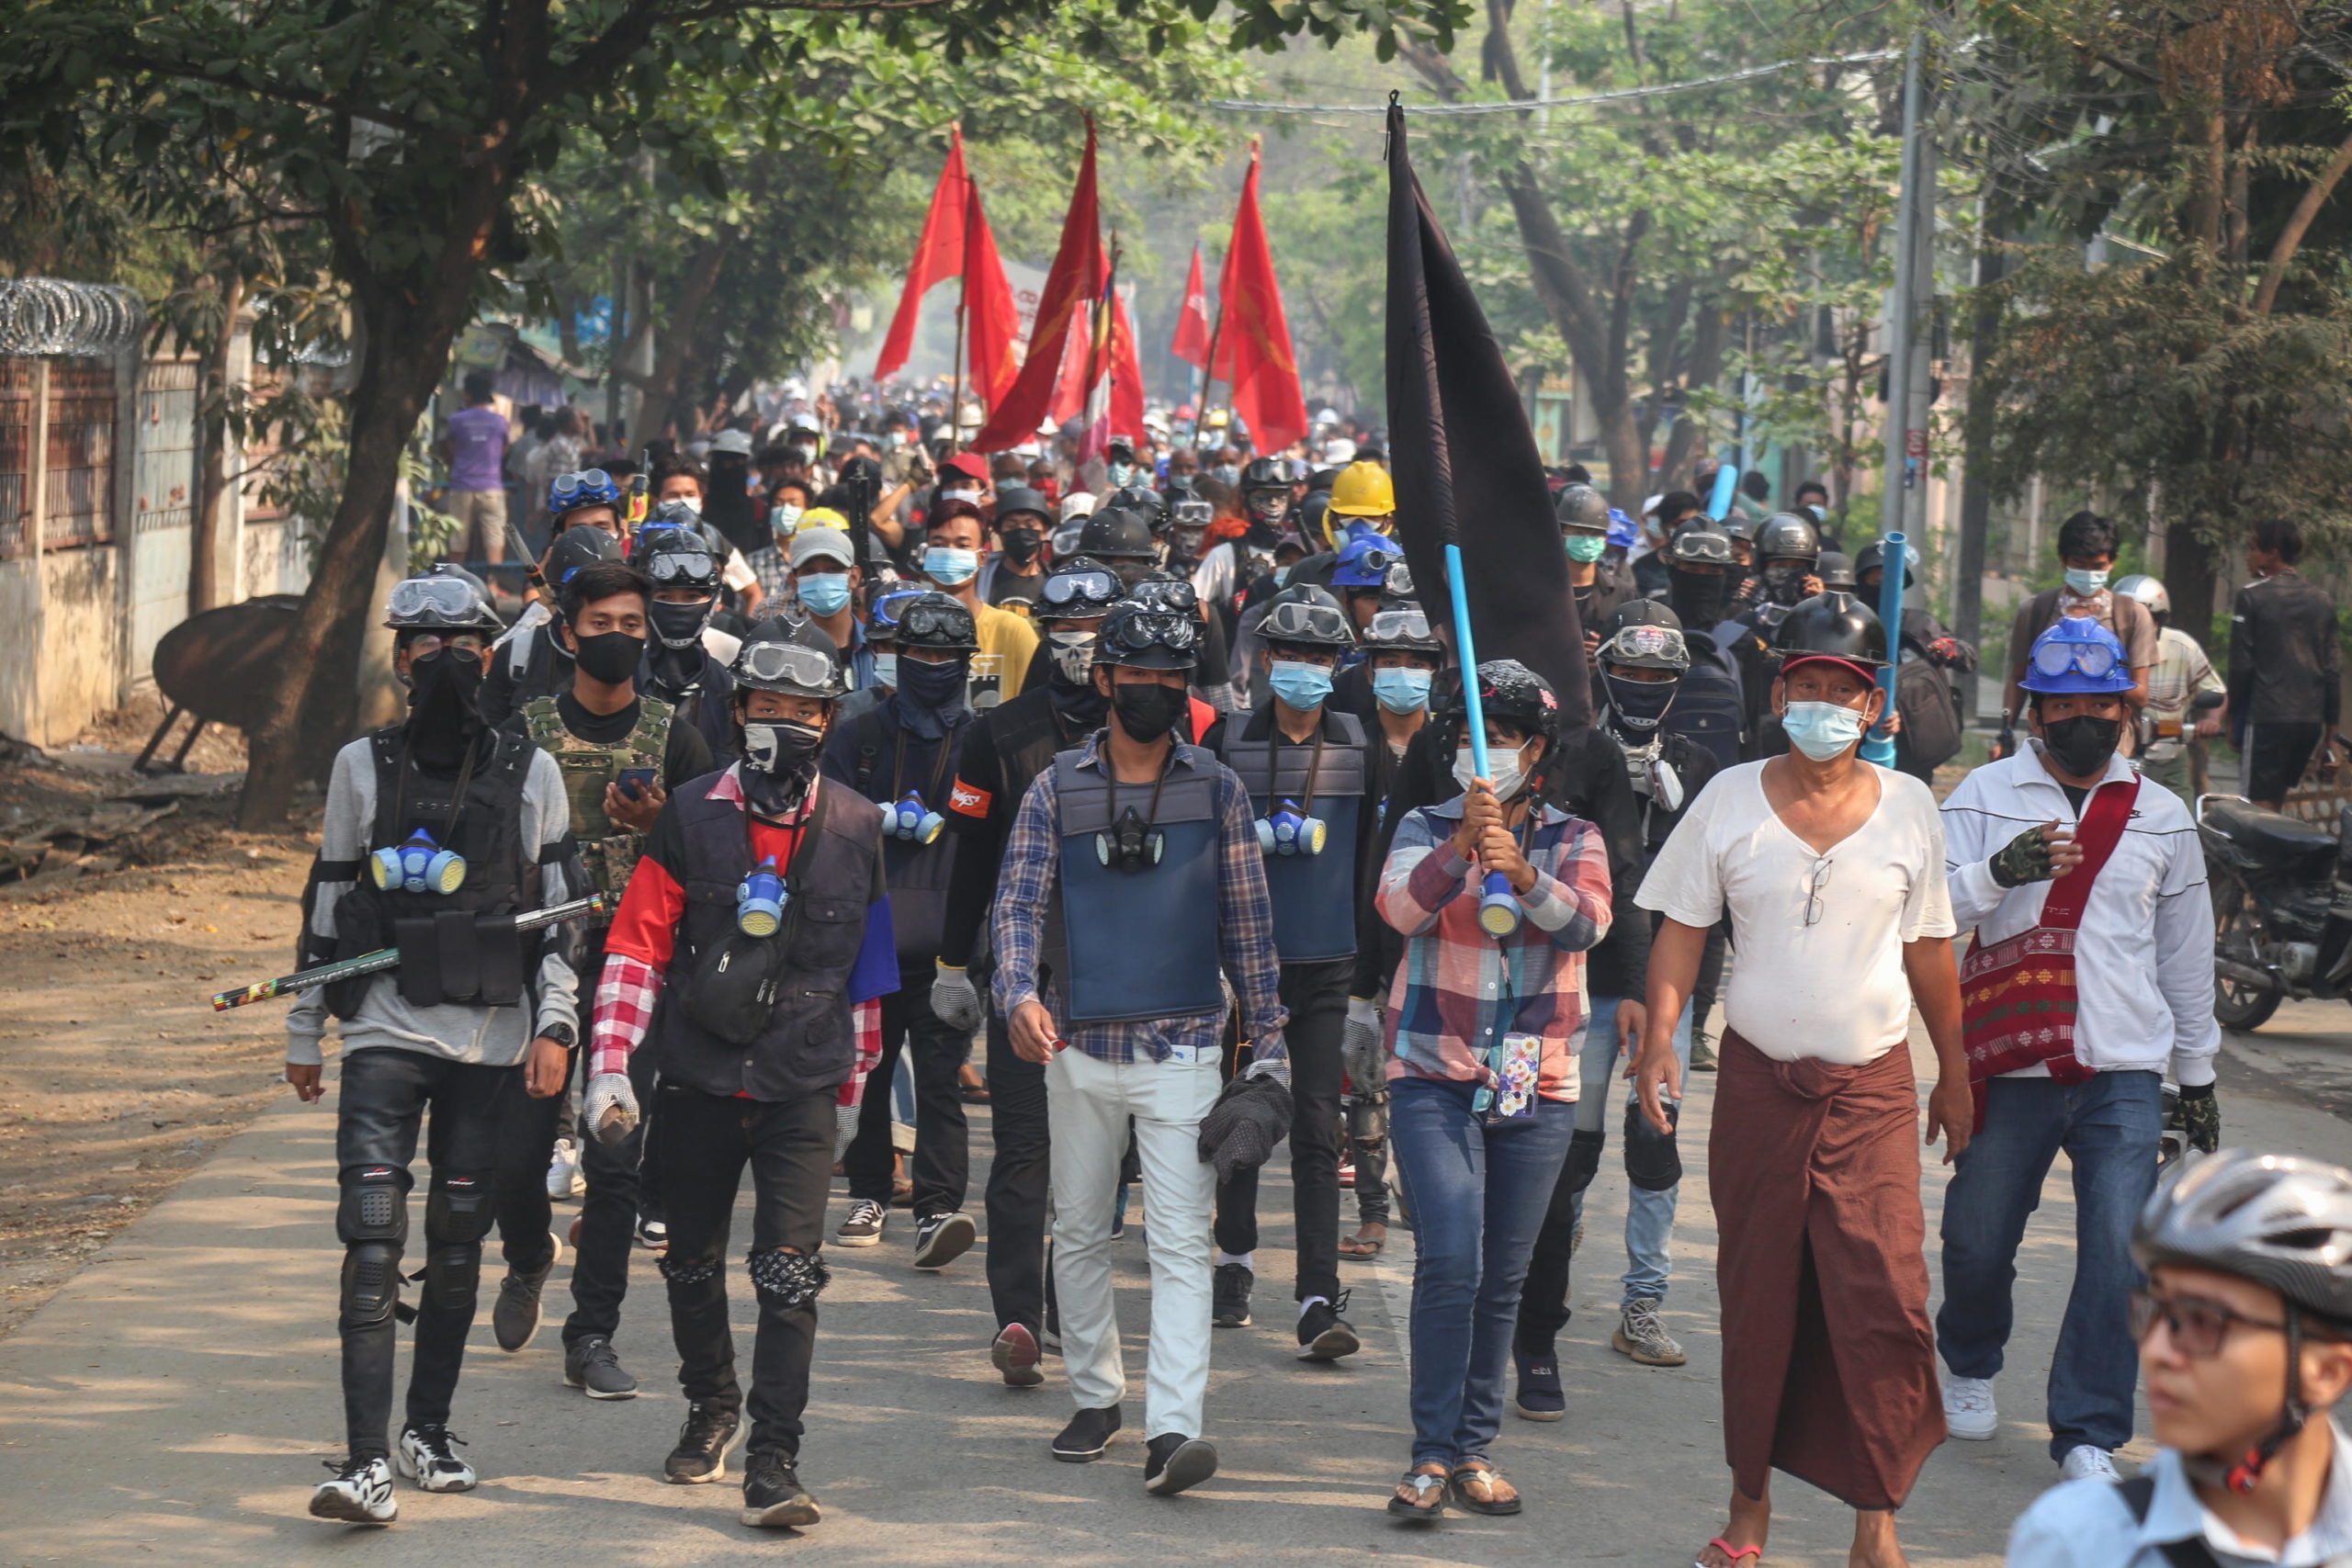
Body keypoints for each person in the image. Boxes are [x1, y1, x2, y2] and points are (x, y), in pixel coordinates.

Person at [1631, 591, 1968, 1568]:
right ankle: (1749, 1513)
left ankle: (1877, 1523)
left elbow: (1931, 949)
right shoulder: (1730, 798)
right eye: (1808, 685)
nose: (1824, 703)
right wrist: (1661, 1038)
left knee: (1883, 1300)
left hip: (1869, 1093)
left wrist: (1953, 1072)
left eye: (1845, 691)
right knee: (1760, 1295)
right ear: (1781, 692)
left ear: (1872, 709)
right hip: (1757, 1088)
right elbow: (1681, 933)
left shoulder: (1909, 807)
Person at [581, 615, 899, 1529]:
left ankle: (773, 1457)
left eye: (803, 709)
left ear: (829, 719)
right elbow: (637, 952)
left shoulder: (855, 825)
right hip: (699, 1078)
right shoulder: (689, 816)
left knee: (789, 1274)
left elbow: (869, 979)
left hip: (803, 1082)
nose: (784, 722)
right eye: (766, 705)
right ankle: (710, 1401)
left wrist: (851, 1098)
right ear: (737, 711)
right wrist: (609, 1071)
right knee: (687, 1263)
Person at [291, 568, 582, 1524]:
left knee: (458, 1248)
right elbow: (330, 899)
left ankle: (428, 1428)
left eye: (463, 645)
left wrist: (555, 1025)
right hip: (382, 1029)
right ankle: (365, 1459)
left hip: (493, 1044)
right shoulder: (359, 765)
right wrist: (305, 1027)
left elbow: (557, 919)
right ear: (399, 657)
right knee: (372, 1244)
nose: (445, 661)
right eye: (424, 644)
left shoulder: (529, 770)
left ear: (489, 655)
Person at [989, 598, 1291, 1496]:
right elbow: (1014, 907)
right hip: (1074, 1048)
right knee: (1078, 1230)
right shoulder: (1054, 788)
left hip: (1184, 1050)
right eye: (1139, 675)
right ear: (1105, 678)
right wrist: (1014, 995)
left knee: (1176, 1245)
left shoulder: (1217, 790)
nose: (1154, 690)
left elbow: (1248, 925)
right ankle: (1095, 1396)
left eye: (1171, 677)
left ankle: (1173, 1428)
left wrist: (1265, 1044)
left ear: (1182, 687)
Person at [1936, 616, 2221, 1484]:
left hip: (2124, 1067)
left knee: (2118, 1249)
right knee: (1980, 1240)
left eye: (2102, 702)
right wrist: (1997, 872)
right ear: (2036, 711)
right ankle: (1969, 1359)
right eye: (2066, 704)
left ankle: (2089, 1428)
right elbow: (1928, 924)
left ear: (2127, 709)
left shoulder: (2163, 815)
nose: (2085, 718)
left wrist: (2197, 1074)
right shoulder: (1980, 797)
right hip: (2011, 1063)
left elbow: (2184, 950)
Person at [1374, 660, 1613, 1520]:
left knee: (1504, 1274)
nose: (1488, 755)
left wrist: (1522, 871)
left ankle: (1474, 1450)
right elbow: (1398, 910)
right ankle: (1429, 1456)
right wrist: (1460, 851)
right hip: (1433, 1068)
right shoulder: (1420, 824)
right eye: (1474, 738)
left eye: (1505, 739)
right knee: (1451, 1258)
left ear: (1535, 749)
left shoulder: (1574, 835)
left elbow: (1589, 923)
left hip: (1533, 1077)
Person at [490, 558, 714, 1397]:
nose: (617, 638)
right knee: (515, 1156)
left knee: (615, 1157)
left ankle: (592, 1334)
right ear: (567, 630)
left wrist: (666, 827)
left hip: (637, 972)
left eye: (632, 624)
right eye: (602, 624)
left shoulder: (676, 737)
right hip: (538, 967)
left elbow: (717, 858)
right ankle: (525, 1254)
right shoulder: (527, 733)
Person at [1514, 601, 1723, 1420]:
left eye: (1657, 676)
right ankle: (1544, 1285)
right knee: (1569, 1146)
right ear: (1602, 673)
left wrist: (1675, 797)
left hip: (1667, 980)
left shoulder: (1702, 764)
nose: (1641, 687)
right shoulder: (1576, 752)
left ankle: (1644, 1299)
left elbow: (1718, 879)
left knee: (1655, 1143)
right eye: (1628, 672)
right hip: (1582, 973)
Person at [933, 558, 1126, 1386]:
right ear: (1044, 632)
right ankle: (1017, 1317)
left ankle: (1061, 1296)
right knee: (1023, 1150)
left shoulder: (1156, 728)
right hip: (1022, 973)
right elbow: (970, 861)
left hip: (1126, 979)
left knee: (1106, 1159)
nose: (1081, 647)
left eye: (1096, 630)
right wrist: (950, 962)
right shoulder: (997, 733)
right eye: (1068, 630)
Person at [2007, 1150, 2352, 1568]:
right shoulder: (2079, 1540)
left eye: (2204, 1321)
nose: (2155, 1351)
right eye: (2155, 1313)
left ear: (2327, 1372)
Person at [1202, 584, 1370, 1357]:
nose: (1304, 666)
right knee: (1241, 1119)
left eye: (1320, 654)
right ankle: (1233, 1261)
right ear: (1267, 658)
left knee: (1315, 1128)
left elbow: (1373, 863)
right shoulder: (1227, 743)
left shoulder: (1361, 746)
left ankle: (1314, 1295)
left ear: (1337, 664)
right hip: (1242, 965)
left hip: (1328, 964)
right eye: (1291, 652)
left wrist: (1372, 978)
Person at [822, 591, 982, 1269]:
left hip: (950, 940)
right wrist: (871, 816)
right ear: (895, 655)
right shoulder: (859, 731)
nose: (934, 665)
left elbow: (989, 831)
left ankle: (939, 1204)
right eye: (921, 652)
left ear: (967, 662)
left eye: (947, 655)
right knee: (869, 1069)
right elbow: (822, 812)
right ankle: (869, 1191)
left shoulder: (979, 739)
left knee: (942, 1077)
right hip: (871, 932)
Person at [1340, 581, 1447, 1263]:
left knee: (1425, 1083)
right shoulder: (1346, 744)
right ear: (1370, 668)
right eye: (1390, 660)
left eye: (1418, 663)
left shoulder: (1450, 752)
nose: (1404, 674)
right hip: (1358, 934)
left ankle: (1426, 1201)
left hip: (1434, 938)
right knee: (1364, 1082)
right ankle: (1373, 1208)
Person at [2002, 510, 2156, 740]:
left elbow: (2140, 695)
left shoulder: (2132, 615)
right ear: (2063, 560)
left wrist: (2094, 670)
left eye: (2097, 566)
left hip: (2110, 742)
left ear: (2112, 562)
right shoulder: (2035, 611)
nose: (2089, 574)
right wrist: (2005, 732)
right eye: (2080, 565)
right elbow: (2017, 678)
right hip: (2050, 738)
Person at [2230, 517, 2343, 811]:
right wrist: (2331, 737)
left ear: (2272, 554)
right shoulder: (2323, 601)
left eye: (2253, 548)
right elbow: (2332, 670)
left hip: (2267, 717)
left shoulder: (2251, 597)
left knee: (2256, 807)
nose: (2248, 555)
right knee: (2276, 801)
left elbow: (2241, 667)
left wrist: (2231, 719)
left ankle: (2263, 859)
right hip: (2309, 722)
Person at [917, 499, 1039, 712]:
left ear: (982, 558)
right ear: (926, 555)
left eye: (962, 545)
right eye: (938, 545)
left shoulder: (1013, 630)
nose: (949, 553)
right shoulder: (910, 630)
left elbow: (1034, 710)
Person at [2114, 573, 2225, 805]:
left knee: (2184, 826)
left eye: (2146, 620)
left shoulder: (2181, 647)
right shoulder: (2102, 651)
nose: (2140, 628)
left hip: (2170, 759)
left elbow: (2216, 691)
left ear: (2159, 621)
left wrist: (2211, 721)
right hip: (2114, 760)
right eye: (2131, 620)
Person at [440, 370, 511, 571]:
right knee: (495, 537)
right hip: (492, 486)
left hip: (462, 485)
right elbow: (505, 450)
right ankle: (494, 584)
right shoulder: (499, 421)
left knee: (458, 539)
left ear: (468, 394)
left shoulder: (456, 420)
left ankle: (455, 581)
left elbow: (450, 449)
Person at [1560, 483, 1635, 658]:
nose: (1587, 540)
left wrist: (1609, 649)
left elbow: (1634, 645)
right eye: (1579, 532)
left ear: (1605, 538)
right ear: (1562, 532)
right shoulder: (1540, 590)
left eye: (1595, 533)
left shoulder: (1622, 593)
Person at [978, 486, 1054, 615]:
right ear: (1000, 532)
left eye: (1030, 525)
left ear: (1044, 531)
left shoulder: (1053, 581)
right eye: (1012, 526)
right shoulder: (981, 576)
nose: (1021, 532)